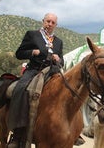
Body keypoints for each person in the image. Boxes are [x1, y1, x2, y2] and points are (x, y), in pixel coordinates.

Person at [7, 13, 64, 148]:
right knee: (21, 89)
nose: (49, 24)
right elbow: (19, 53)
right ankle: (17, 133)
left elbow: (61, 60)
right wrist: (33, 52)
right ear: (43, 21)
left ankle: (72, 129)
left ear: (56, 25)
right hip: (34, 70)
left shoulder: (58, 41)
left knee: (68, 91)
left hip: (53, 72)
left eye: (52, 22)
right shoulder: (32, 35)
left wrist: (59, 59)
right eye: (47, 21)